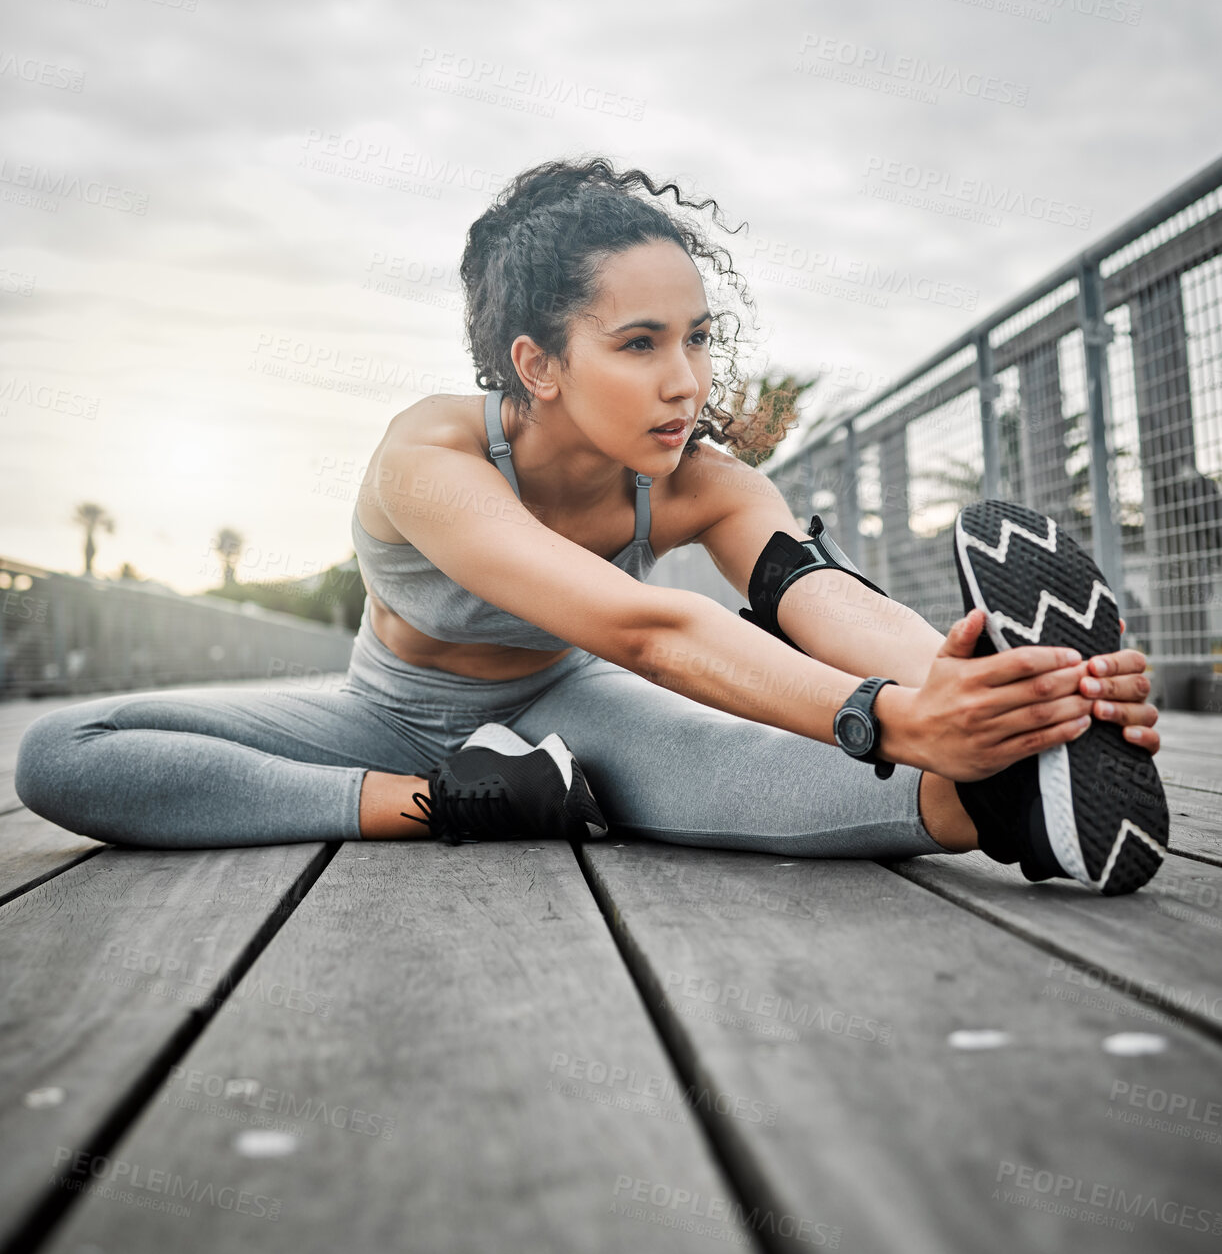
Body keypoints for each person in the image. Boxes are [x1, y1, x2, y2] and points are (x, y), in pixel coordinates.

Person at [15, 158, 1165, 896]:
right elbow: (640, 623)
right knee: (61, 753)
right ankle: (431, 806)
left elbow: (814, 590)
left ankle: (1011, 792)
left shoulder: (698, 476)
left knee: (822, 782)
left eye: (697, 337)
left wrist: (992, 689)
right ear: (537, 363)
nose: (685, 381)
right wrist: (887, 716)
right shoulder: (433, 455)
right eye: (638, 343)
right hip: (381, 717)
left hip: (568, 715)